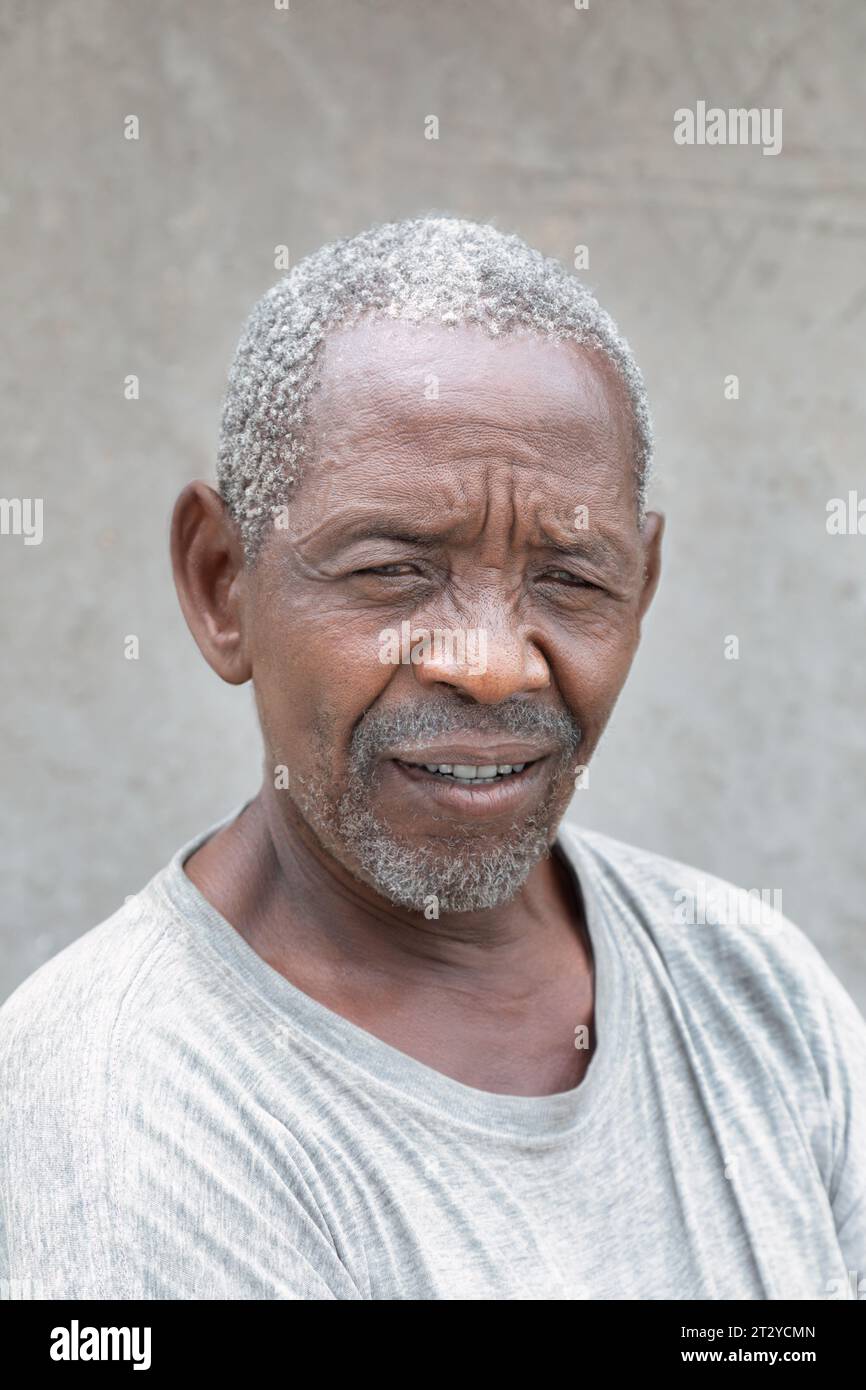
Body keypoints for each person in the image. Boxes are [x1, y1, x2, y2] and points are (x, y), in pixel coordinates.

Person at [1, 216, 863, 1300]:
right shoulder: (123, 1108)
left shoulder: (750, 986)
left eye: (569, 580)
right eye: (392, 570)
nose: (494, 665)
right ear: (223, 583)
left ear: (640, 589)